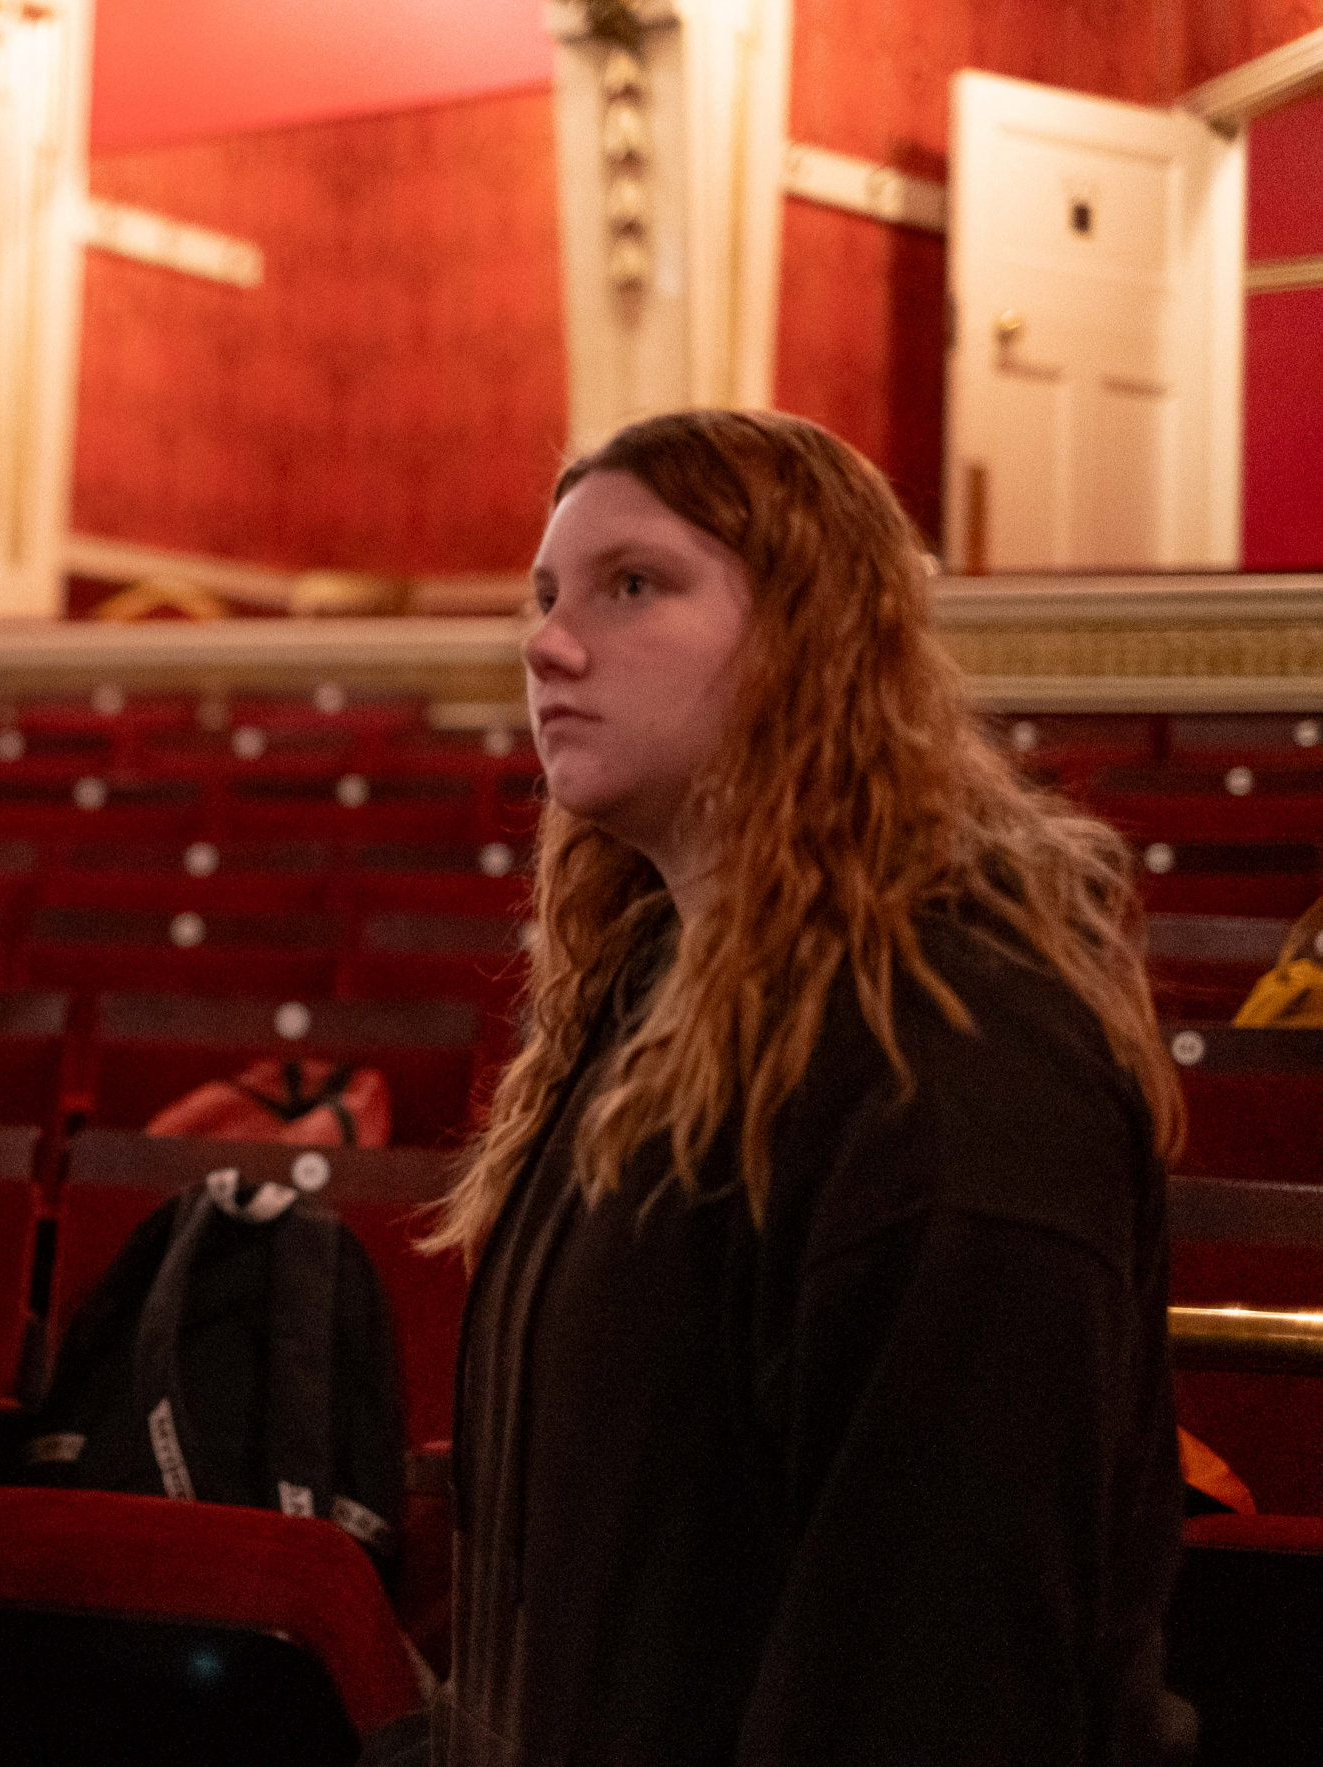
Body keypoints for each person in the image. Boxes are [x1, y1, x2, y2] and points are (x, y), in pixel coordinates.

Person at [434, 410, 1185, 1765]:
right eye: (546, 594)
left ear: (806, 636)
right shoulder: (650, 991)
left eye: (632, 584)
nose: (545, 641)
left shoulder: (948, 1052)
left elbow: (937, 1662)